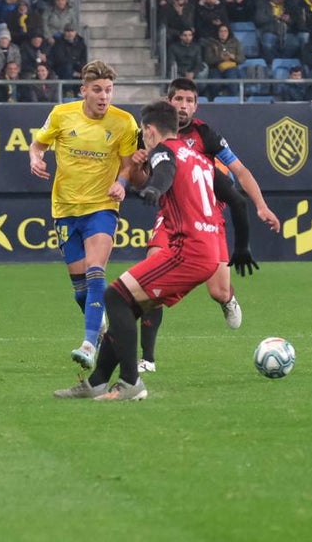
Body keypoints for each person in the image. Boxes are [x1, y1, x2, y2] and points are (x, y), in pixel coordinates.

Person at [53, 101, 225, 402]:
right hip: (209, 249)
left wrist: (155, 189)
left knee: (113, 296)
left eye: (143, 132)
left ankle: (131, 382)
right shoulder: (197, 155)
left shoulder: (164, 149)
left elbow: (165, 172)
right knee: (127, 306)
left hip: (188, 250)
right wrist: (244, 244)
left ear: (148, 129)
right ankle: (97, 382)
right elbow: (235, 198)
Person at [134, 78, 281, 373]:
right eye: (178, 100)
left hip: (207, 216)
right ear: (169, 101)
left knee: (218, 292)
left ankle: (228, 299)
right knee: (152, 275)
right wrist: (138, 167)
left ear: (196, 105)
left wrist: (261, 206)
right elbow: (142, 182)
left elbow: (239, 171)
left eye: (189, 100)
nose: (184, 106)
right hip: (172, 215)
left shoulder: (206, 135)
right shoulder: (150, 135)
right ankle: (147, 358)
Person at [29, 60, 139, 370]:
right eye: (97, 90)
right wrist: (35, 159)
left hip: (101, 208)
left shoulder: (124, 122)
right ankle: (102, 326)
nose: (104, 96)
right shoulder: (62, 115)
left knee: (95, 273)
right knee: (80, 291)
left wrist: (121, 183)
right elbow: (37, 146)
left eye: (108, 90)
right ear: (83, 91)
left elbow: (128, 164)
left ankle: (89, 344)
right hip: (65, 210)